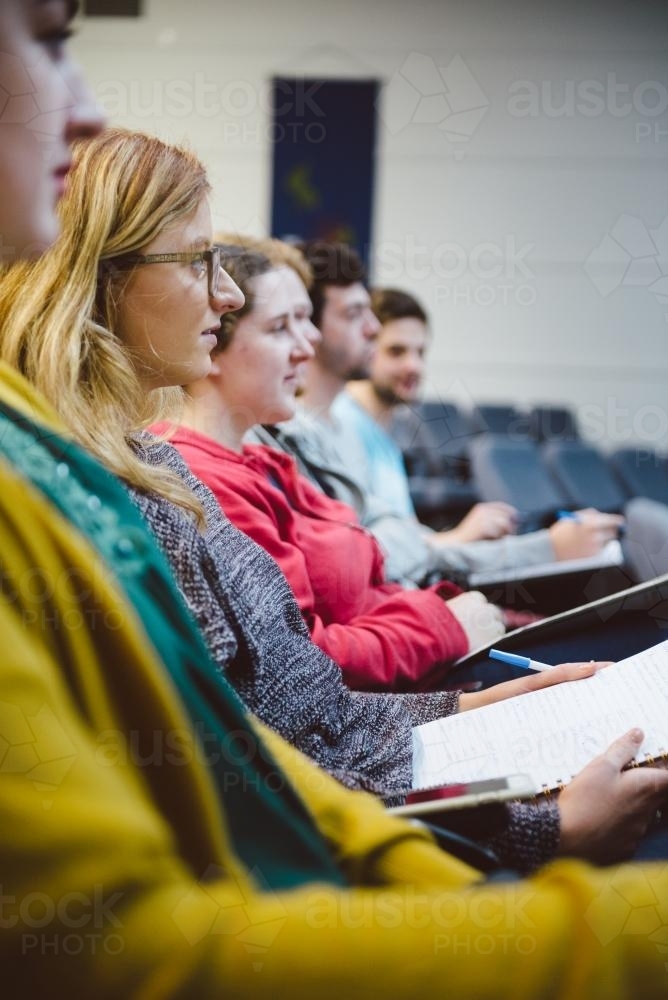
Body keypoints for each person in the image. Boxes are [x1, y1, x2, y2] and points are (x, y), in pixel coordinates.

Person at [0, 13, 667, 992]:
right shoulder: (100, 480)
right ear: (100, 278)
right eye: (200, 264)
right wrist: (532, 840)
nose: (224, 297)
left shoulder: (142, 470)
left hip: (377, 825)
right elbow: (136, 924)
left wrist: (479, 709)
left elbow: (278, 741)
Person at [154, 238, 509, 690]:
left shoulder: (263, 460)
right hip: (383, 706)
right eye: (281, 327)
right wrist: (442, 628)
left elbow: (366, 593)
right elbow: (301, 666)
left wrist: (452, 617)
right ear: (212, 347)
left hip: (413, 669)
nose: (308, 346)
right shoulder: (206, 480)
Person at [249, 243, 623, 588]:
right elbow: (374, 560)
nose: (373, 329)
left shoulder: (346, 431)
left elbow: (398, 543)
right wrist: (542, 549)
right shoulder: (289, 437)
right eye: (353, 314)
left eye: (419, 352)